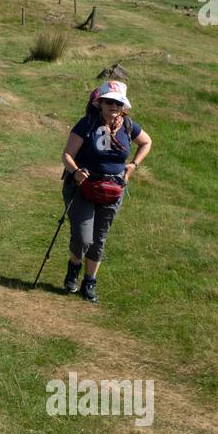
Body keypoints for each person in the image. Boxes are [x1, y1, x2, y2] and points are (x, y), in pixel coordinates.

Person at [59, 80, 152, 302]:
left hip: (113, 190)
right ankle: (74, 267)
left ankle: (89, 283)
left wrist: (133, 166)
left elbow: (146, 142)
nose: (114, 106)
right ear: (99, 103)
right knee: (83, 238)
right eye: (109, 101)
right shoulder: (87, 124)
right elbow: (67, 155)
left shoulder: (129, 126)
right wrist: (75, 172)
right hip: (82, 188)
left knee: (99, 239)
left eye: (118, 103)